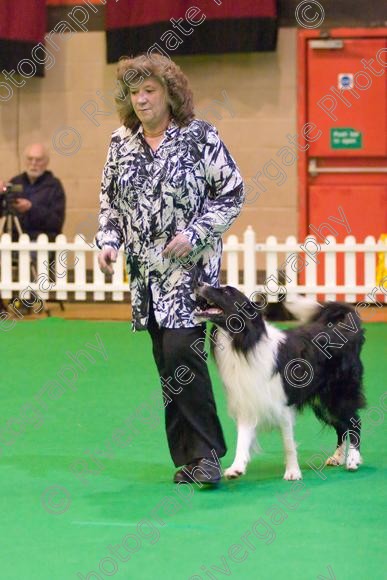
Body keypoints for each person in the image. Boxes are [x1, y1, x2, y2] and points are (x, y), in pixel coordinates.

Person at [96, 54, 245, 484]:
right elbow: (110, 204)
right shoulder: (119, 143)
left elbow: (231, 193)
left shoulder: (201, 137)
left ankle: (209, 455)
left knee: (183, 352)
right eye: (134, 92)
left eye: (150, 91)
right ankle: (189, 460)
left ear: (170, 94)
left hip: (191, 277)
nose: (141, 100)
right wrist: (108, 242)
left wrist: (197, 232)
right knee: (167, 361)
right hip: (146, 277)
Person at [1, 143, 66, 241]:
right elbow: (3, 210)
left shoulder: (54, 186)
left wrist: (30, 208)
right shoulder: (15, 182)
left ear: (46, 162)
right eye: (30, 159)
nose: (33, 163)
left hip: (42, 243)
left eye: (38, 160)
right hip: (15, 240)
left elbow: (56, 222)